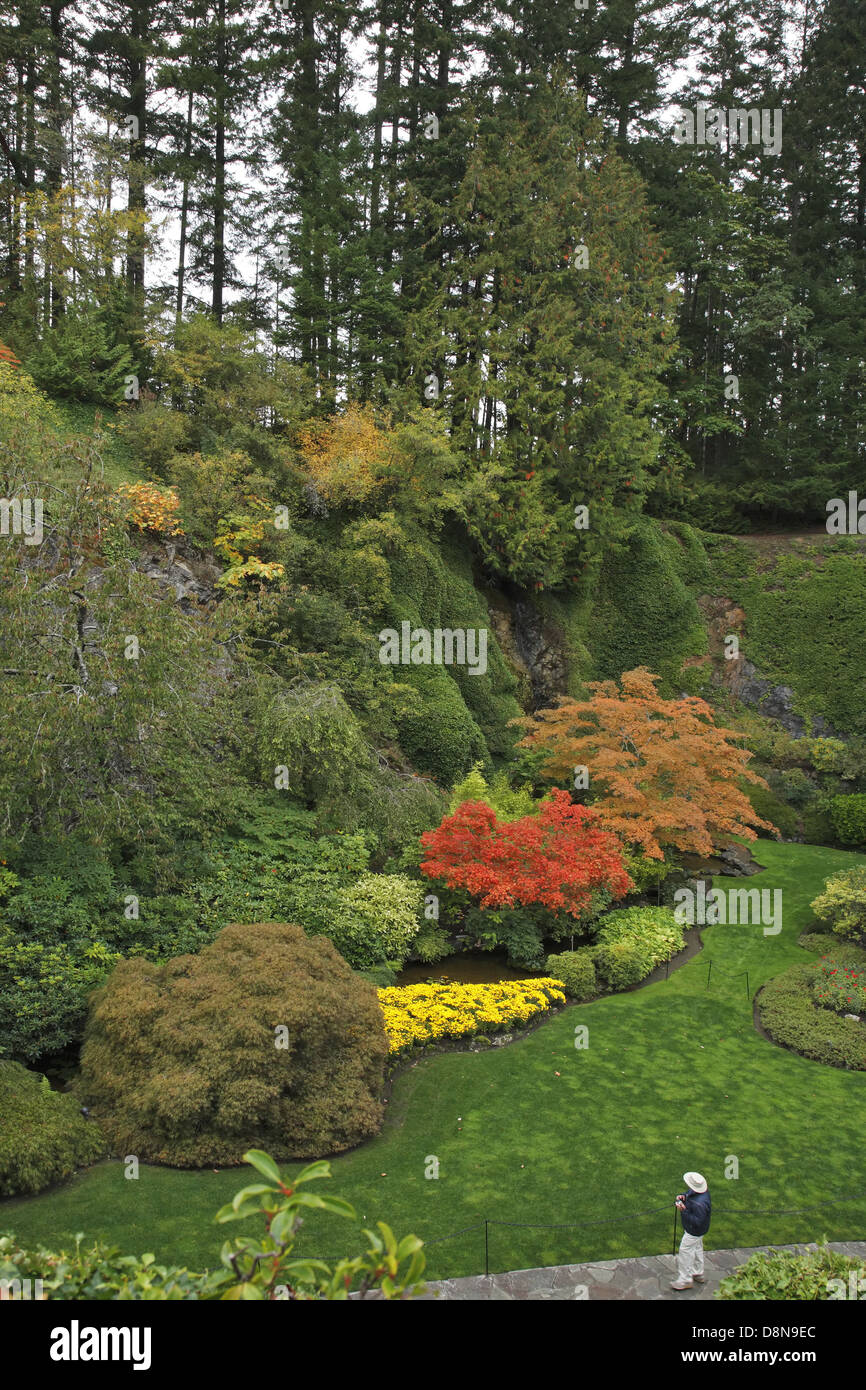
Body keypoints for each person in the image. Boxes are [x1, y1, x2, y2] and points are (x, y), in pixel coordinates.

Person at [670, 1171, 711, 1290]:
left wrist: (683, 1210)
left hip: (694, 1231)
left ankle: (685, 1279)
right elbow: (691, 1193)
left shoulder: (700, 1204)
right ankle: (698, 1273)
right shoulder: (702, 1193)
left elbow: (696, 1222)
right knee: (697, 1247)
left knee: (685, 1250)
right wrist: (684, 1196)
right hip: (700, 1231)